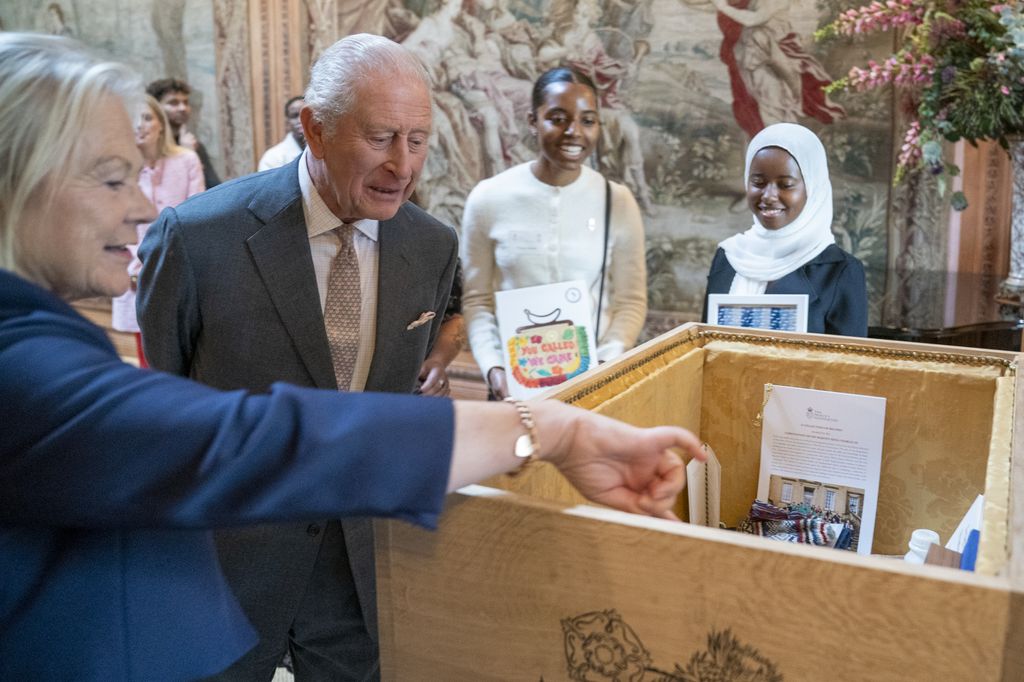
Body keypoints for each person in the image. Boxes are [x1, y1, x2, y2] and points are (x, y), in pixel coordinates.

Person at [0, 33, 704, 681]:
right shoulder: (26, 361)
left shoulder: (427, 245)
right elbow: (246, 439)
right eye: (111, 178)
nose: (139, 208)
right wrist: (548, 430)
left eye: (417, 140)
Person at [138, 34, 459, 680]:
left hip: (361, 561)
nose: (403, 165)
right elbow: (163, 410)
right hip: (229, 561)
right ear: (315, 128)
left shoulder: (431, 247)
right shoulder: (198, 239)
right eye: (381, 138)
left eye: (417, 140)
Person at [461, 66, 648, 400]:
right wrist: (495, 368)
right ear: (533, 121)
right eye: (558, 119)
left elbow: (630, 301)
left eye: (588, 120)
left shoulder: (617, 201)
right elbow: (477, 300)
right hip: (514, 386)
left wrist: (604, 365)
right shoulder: (489, 198)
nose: (574, 132)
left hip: (592, 386)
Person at [702, 122, 867, 336]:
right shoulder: (728, 257)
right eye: (758, 182)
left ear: (812, 188)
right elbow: (704, 345)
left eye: (786, 185)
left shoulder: (839, 270)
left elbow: (850, 357)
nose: (769, 196)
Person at [110, 95, 204, 365]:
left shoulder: (186, 160)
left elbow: (198, 214)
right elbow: (114, 224)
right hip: (135, 272)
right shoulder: (118, 169)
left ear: (161, 124)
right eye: (132, 119)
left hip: (182, 267)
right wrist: (134, 268)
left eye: (147, 117)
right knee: (148, 354)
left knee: (190, 349)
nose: (139, 125)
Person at [146, 76, 222, 188]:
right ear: (156, 107)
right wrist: (184, 156)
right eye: (173, 103)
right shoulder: (148, 146)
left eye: (186, 102)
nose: (183, 108)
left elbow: (213, 188)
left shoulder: (194, 145)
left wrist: (191, 155)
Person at [258, 95, 306, 171]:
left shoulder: (325, 151)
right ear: (287, 122)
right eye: (294, 116)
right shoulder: (272, 158)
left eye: (305, 115)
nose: (300, 120)